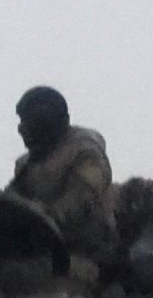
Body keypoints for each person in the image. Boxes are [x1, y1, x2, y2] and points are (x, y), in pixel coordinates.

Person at [7, 86, 117, 264]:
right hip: (42, 250)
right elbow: (14, 198)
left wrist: (41, 215)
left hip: (90, 255)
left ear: (44, 123)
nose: (21, 129)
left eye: (28, 123)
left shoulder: (85, 153)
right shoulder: (27, 164)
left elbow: (79, 201)